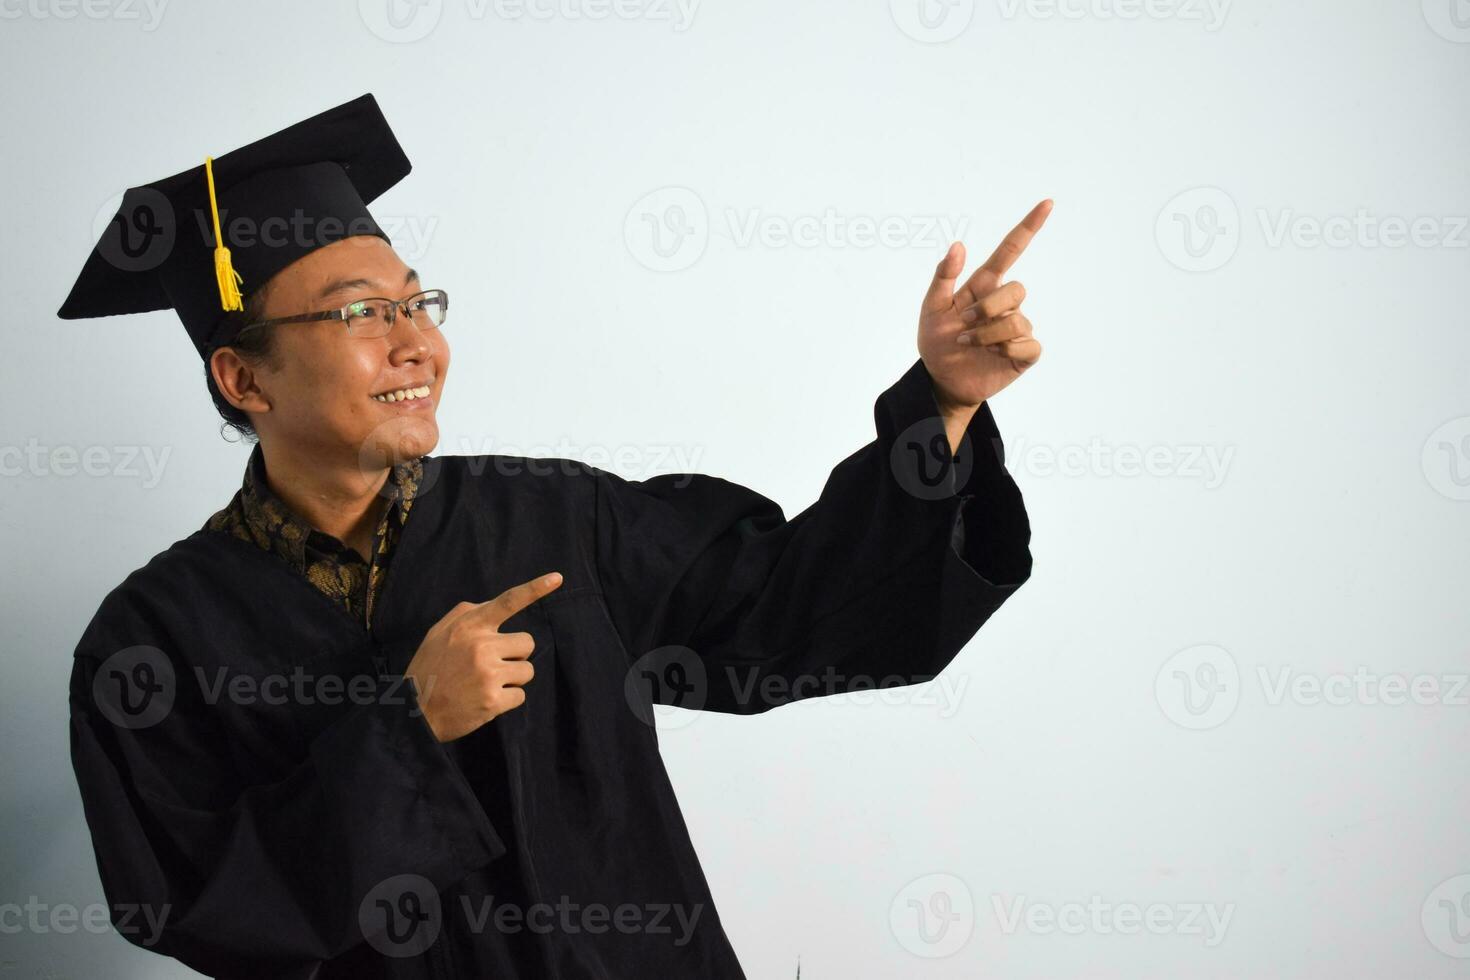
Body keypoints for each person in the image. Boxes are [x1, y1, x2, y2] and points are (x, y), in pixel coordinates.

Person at [58, 92, 1046, 978]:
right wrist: (410, 729)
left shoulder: (558, 520)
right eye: (362, 312)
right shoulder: (155, 639)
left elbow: (804, 609)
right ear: (245, 378)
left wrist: (940, 414)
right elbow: (202, 911)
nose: (416, 342)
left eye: (417, 301)